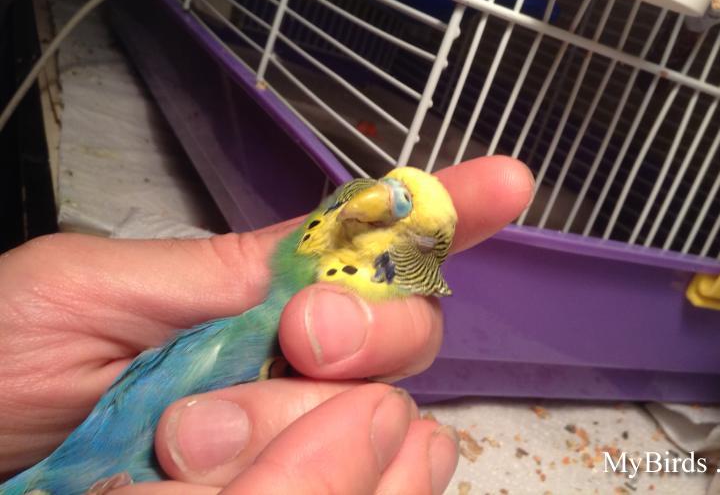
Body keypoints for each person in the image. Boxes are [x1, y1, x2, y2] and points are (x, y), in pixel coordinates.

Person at [0, 156, 534, 494]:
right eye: (385, 188)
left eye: (410, 234)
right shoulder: (264, 284)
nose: (385, 204)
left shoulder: (359, 345)